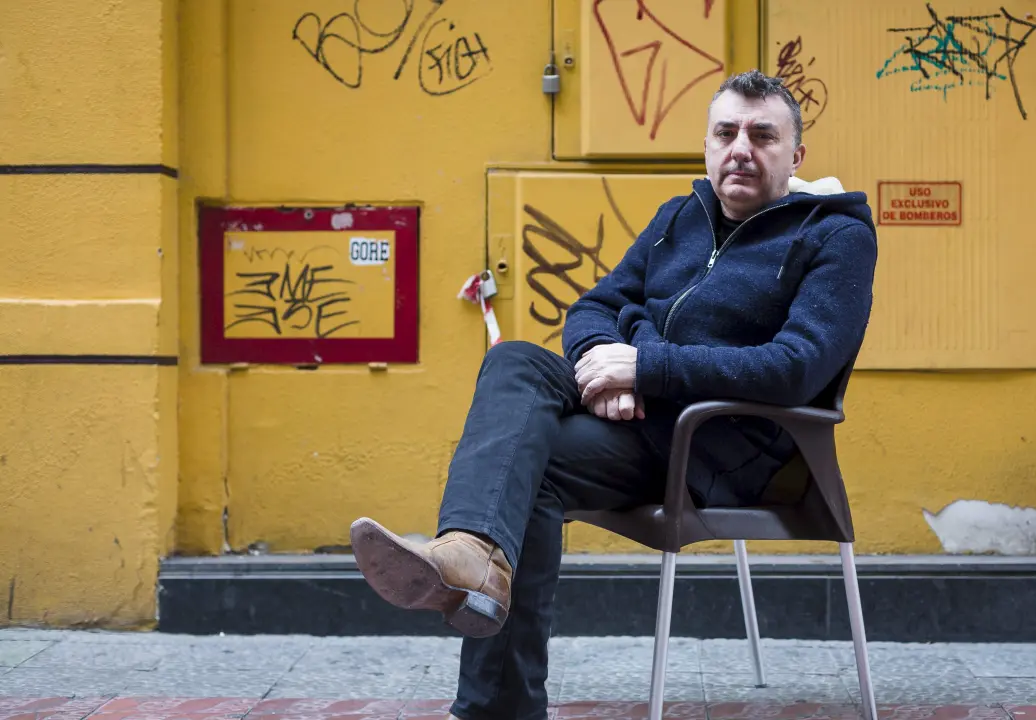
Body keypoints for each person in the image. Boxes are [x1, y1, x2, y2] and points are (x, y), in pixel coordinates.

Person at [349, 69, 877, 720]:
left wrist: (646, 367)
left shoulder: (836, 236)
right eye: (725, 133)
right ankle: (471, 553)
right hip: (640, 421)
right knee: (514, 360)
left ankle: (491, 686)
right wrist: (610, 371)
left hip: (718, 446)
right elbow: (595, 307)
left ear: (795, 156)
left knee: (530, 466)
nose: (740, 148)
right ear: (707, 146)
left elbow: (796, 367)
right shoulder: (680, 217)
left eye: (762, 135)